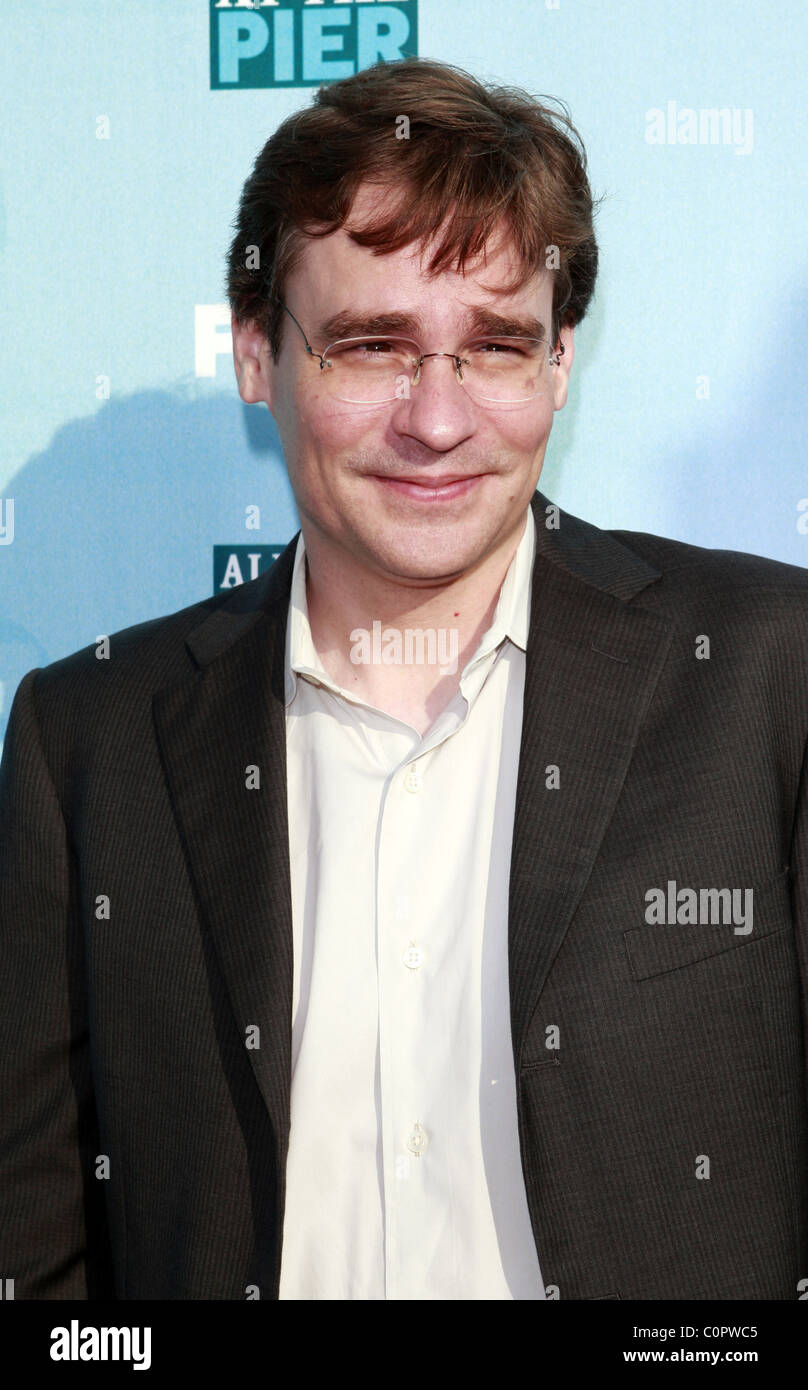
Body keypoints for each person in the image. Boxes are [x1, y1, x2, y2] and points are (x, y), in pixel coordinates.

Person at [1, 56, 806, 1302]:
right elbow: (37, 1252)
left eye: (494, 345)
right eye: (374, 345)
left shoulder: (767, 672)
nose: (438, 419)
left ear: (558, 363)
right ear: (259, 355)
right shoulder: (89, 738)